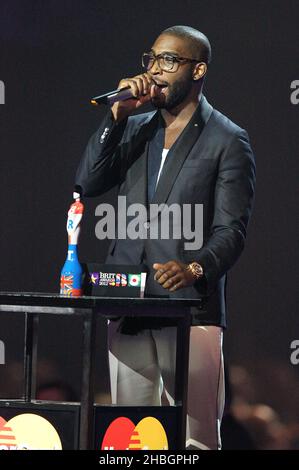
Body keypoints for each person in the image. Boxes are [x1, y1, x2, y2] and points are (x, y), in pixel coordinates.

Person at [75, 25, 256, 449]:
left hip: (189, 310)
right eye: (152, 59)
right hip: (130, 306)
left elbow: (231, 230)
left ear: (198, 70)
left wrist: (195, 268)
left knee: (195, 439)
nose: (156, 70)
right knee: (131, 437)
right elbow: (86, 181)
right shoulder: (136, 127)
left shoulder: (228, 139)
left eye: (169, 61)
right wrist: (115, 117)